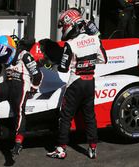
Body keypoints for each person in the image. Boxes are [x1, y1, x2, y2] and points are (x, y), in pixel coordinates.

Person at [46, 9, 107, 159]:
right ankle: (93, 148)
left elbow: (63, 68)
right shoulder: (95, 39)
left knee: (65, 116)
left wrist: (51, 65)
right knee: (90, 116)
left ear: (70, 24)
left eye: (63, 26)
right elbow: (103, 59)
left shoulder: (70, 44)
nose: (63, 29)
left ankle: (61, 149)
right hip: (90, 82)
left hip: (75, 82)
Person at [0, 35, 43, 156]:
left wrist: (33, 88)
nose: (4, 60)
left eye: (5, 56)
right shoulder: (4, 61)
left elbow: (37, 75)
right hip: (8, 84)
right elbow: (1, 78)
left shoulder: (25, 56)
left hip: (21, 85)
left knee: (19, 110)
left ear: (11, 49)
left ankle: (19, 141)